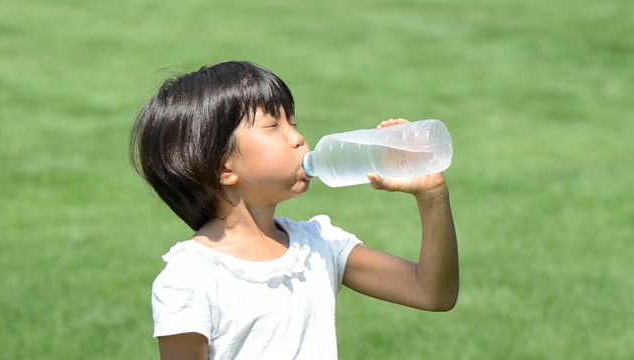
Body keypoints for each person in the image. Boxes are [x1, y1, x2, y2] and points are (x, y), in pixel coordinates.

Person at [130, 60, 459, 360]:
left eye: (293, 122)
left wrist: (432, 196)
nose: (298, 138)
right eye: (274, 126)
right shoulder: (191, 277)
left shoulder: (319, 245)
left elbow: (432, 292)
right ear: (222, 166)